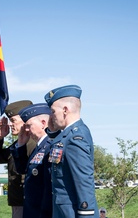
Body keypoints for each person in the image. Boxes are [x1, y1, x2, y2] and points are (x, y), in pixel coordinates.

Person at [44, 84, 99, 218]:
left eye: (52, 112)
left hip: (72, 213)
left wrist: (86, 214)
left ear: (65, 110)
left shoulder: (75, 137)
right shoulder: (68, 135)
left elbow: (83, 180)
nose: (51, 117)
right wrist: (52, 132)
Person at [0, 100, 36, 218]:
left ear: (25, 120)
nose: (10, 124)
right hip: (18, 202)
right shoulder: (18, 144)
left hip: (29, 202)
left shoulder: (33, 144)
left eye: (13, 120)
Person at [10, 103, 53, 218]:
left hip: (42, 212)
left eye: (29, 126)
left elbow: (49, 187)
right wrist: (21, 144)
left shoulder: (50, 147)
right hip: (32, 211)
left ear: (43, 123)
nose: (27, 130)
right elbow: (22, 169)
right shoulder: (39, 147)